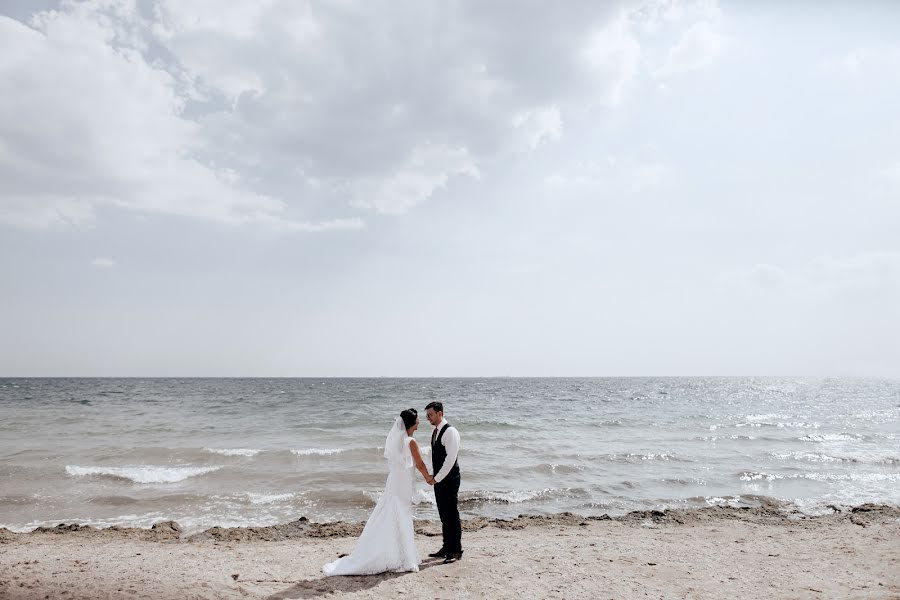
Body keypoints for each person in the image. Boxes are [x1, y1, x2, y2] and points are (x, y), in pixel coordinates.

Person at [322, 408, 433, 576]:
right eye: (417, 420)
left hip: (395, 482)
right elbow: (419, 464)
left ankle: (398, 554)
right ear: (412, 423)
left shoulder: (398, 441)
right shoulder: (410, 441)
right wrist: (429, 479)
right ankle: (403, 557)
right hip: (401, 485)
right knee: (400, 515)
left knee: (393, 514)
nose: (419, 422)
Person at [424, 401, 462, 563]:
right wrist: (435, 477)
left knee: (452, 514)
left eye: (430, 415)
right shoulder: (435, 432)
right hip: (440, 480)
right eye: (427, 416)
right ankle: (446, 546)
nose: (428, 418)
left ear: (440, 413)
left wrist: (436, 478)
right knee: (444, 515)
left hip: (450, 479)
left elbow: (450, 460)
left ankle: (455, 551)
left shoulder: (450, 432)